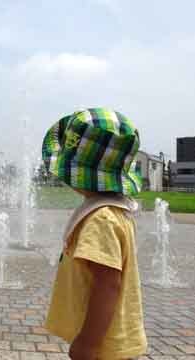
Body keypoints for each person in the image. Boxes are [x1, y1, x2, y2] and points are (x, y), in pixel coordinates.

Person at [42, 108, 147, 359]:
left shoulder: (100, 219)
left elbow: (108, 284)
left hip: (103, 344)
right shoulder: (115, 211)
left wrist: (88, 343)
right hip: (109, 339)